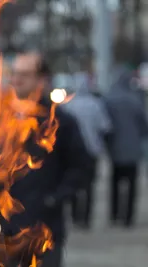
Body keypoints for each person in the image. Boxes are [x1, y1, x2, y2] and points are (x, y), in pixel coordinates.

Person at [0, 51, 91, 266]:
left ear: (42, 80)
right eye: (14, 73)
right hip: (2, 229)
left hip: (43, 228)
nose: (16, 79)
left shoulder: (60, 123)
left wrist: (53, 199)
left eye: (24, 74)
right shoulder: (0, 120)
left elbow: (81, 167)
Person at [62, 72, 112, 229]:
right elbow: (105, 126)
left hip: (73, 153)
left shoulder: (68, 105)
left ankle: (76, 216)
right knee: (89, 186)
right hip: (92, 151)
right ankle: (86, 218)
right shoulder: (95, 104)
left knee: (74, 184)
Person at [104, 66, 148, 228]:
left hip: (115, 149)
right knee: (132, 185)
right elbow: (144, 124)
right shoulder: (135, 99)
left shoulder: (109, 99)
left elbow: (105, 125)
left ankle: (115, 214)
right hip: (133, 150)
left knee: (115, 183)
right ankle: (128, 217)